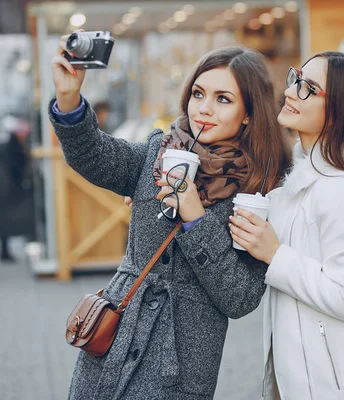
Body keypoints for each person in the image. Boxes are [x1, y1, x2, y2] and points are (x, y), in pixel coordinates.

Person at [50, 41, 291, 399]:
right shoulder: (158, 153)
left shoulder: (260, 192)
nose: (204, 109)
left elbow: (240, 298)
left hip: (178, 369)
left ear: (248, 114)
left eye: (223, 99)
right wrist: (69, 99)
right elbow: (93, 154)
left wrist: (196, 218)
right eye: (198, 94)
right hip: (113, 347)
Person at [229, 52, 344, 399]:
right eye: (296, 79)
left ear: (340, 111)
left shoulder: (342, 188)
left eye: (309, 88)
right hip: (308, 379)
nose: (292, 91)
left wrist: (275, 255)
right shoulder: (293, 184)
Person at [0, 117, 35, 262]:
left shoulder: (7, 146)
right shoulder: (15, 147)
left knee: (3, 221)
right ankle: (27, 248)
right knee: (21, 216)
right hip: (7, 188)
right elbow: (17, 168)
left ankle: (4, 251)